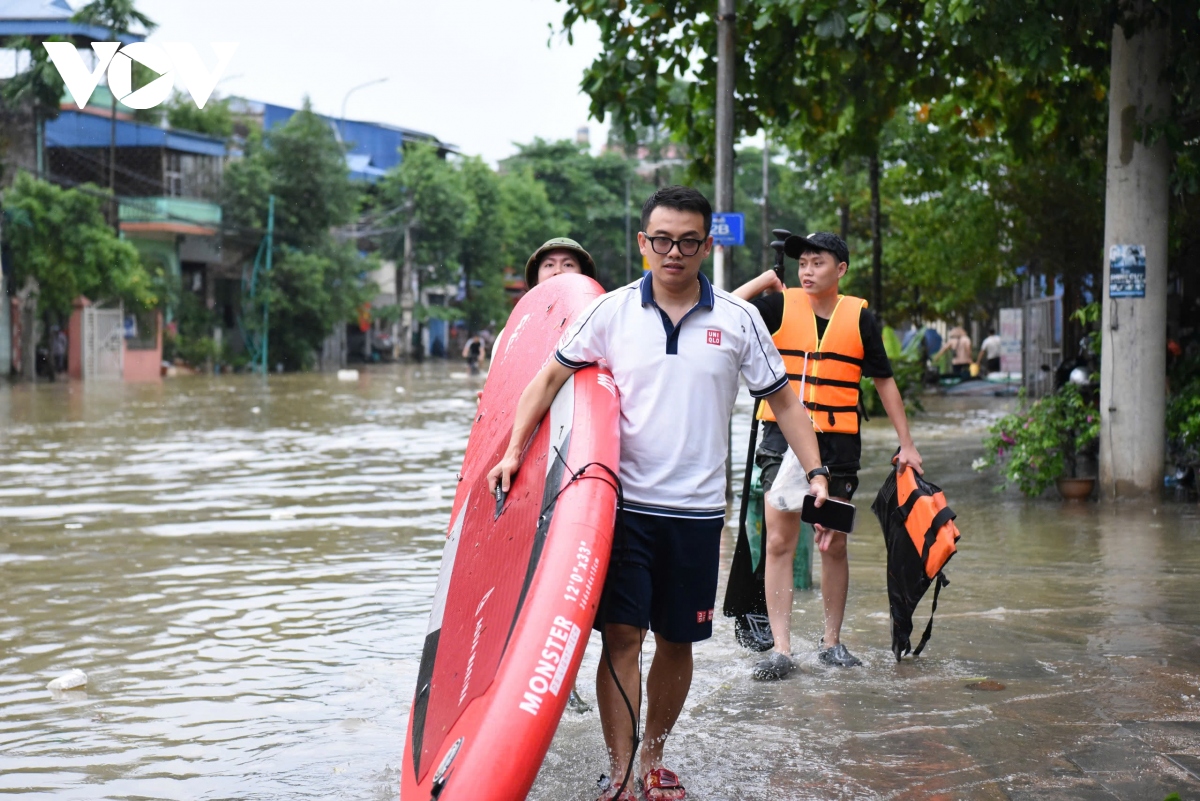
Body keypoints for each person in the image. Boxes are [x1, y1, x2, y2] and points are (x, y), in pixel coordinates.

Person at [488, 186, 830, 801]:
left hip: (698, 515)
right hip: (619, 510)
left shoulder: (738, 318)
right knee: (621, 636)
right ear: (644, 243)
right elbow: (546, 381)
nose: (675, 252)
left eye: (689, 241)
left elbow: (783, 399)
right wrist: (512, 453)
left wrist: (818, 473)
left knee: (678, 640)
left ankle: (654, 757)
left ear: (706, 244)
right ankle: (619, 768)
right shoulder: (611, 312)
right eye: (663, 240)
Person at [733, 231, 923, 680]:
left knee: (833, 542)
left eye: (818, 263)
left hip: (838, 444)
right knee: (779, 540)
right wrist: (763, 281)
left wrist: (907, 443)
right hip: (782, 438)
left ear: (840, 269)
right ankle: (782, 649)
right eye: (802, 263)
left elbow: (884, 381)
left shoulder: (860, 318)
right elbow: (723, 309)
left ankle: (832, 642)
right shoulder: (777, 306)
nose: (807, 270)